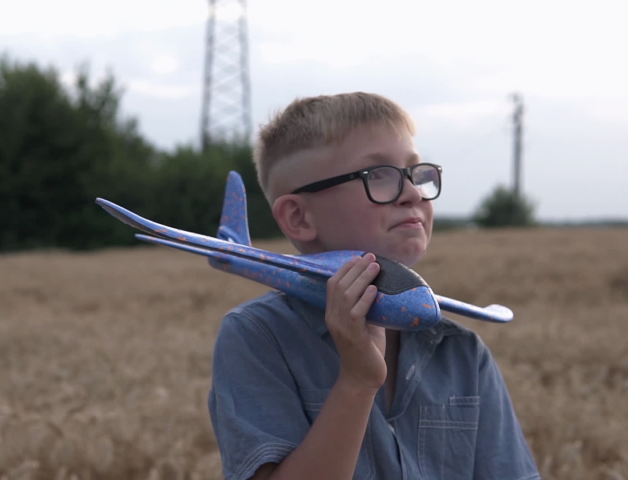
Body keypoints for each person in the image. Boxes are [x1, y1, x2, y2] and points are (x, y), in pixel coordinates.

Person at [207, 92, 540, 480]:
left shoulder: (461, 352)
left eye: (417, 173)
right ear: (298, 217)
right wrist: (357, 382)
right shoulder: (258, 337)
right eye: (378, 176)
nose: (414, 193)